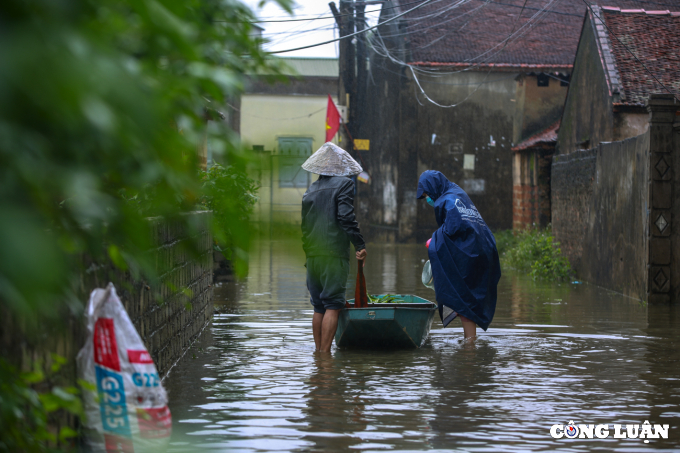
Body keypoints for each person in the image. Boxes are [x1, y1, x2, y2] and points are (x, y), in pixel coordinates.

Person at [417, 170, 500, 340]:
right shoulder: (457, 193)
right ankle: (470, 343)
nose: (428, 200)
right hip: (483, 249)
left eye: (427, 195)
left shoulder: (447, 200)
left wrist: (435, 240)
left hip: (472, 253)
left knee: (463, 297)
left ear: (434, 188)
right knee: (465, 299)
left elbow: (453, 229)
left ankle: (470, 350)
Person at [301, 142, 367, 352]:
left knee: (318, 306)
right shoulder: (344, 184)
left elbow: (304, 226)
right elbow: (346, 217)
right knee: (333, 304)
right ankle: (325, 357)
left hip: (312, 256)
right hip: (333, 254)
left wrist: (309, 252)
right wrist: (359, 244)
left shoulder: (310, 190)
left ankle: (319, 356)